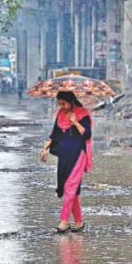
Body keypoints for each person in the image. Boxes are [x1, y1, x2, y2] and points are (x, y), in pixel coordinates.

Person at [40, 91, 93, 233]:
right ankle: (79, 222)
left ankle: (64, 221)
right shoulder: (60, 115)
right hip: (64, 155)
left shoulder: (82, 114)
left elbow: (87, 134)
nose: (61, 106)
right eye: (59, 103)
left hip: (78, 154)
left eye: (63, 103)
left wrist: (75, 122)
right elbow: (53, 135)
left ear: (71, 101)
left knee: (70, 186)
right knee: (71, 189)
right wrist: (45, 149)